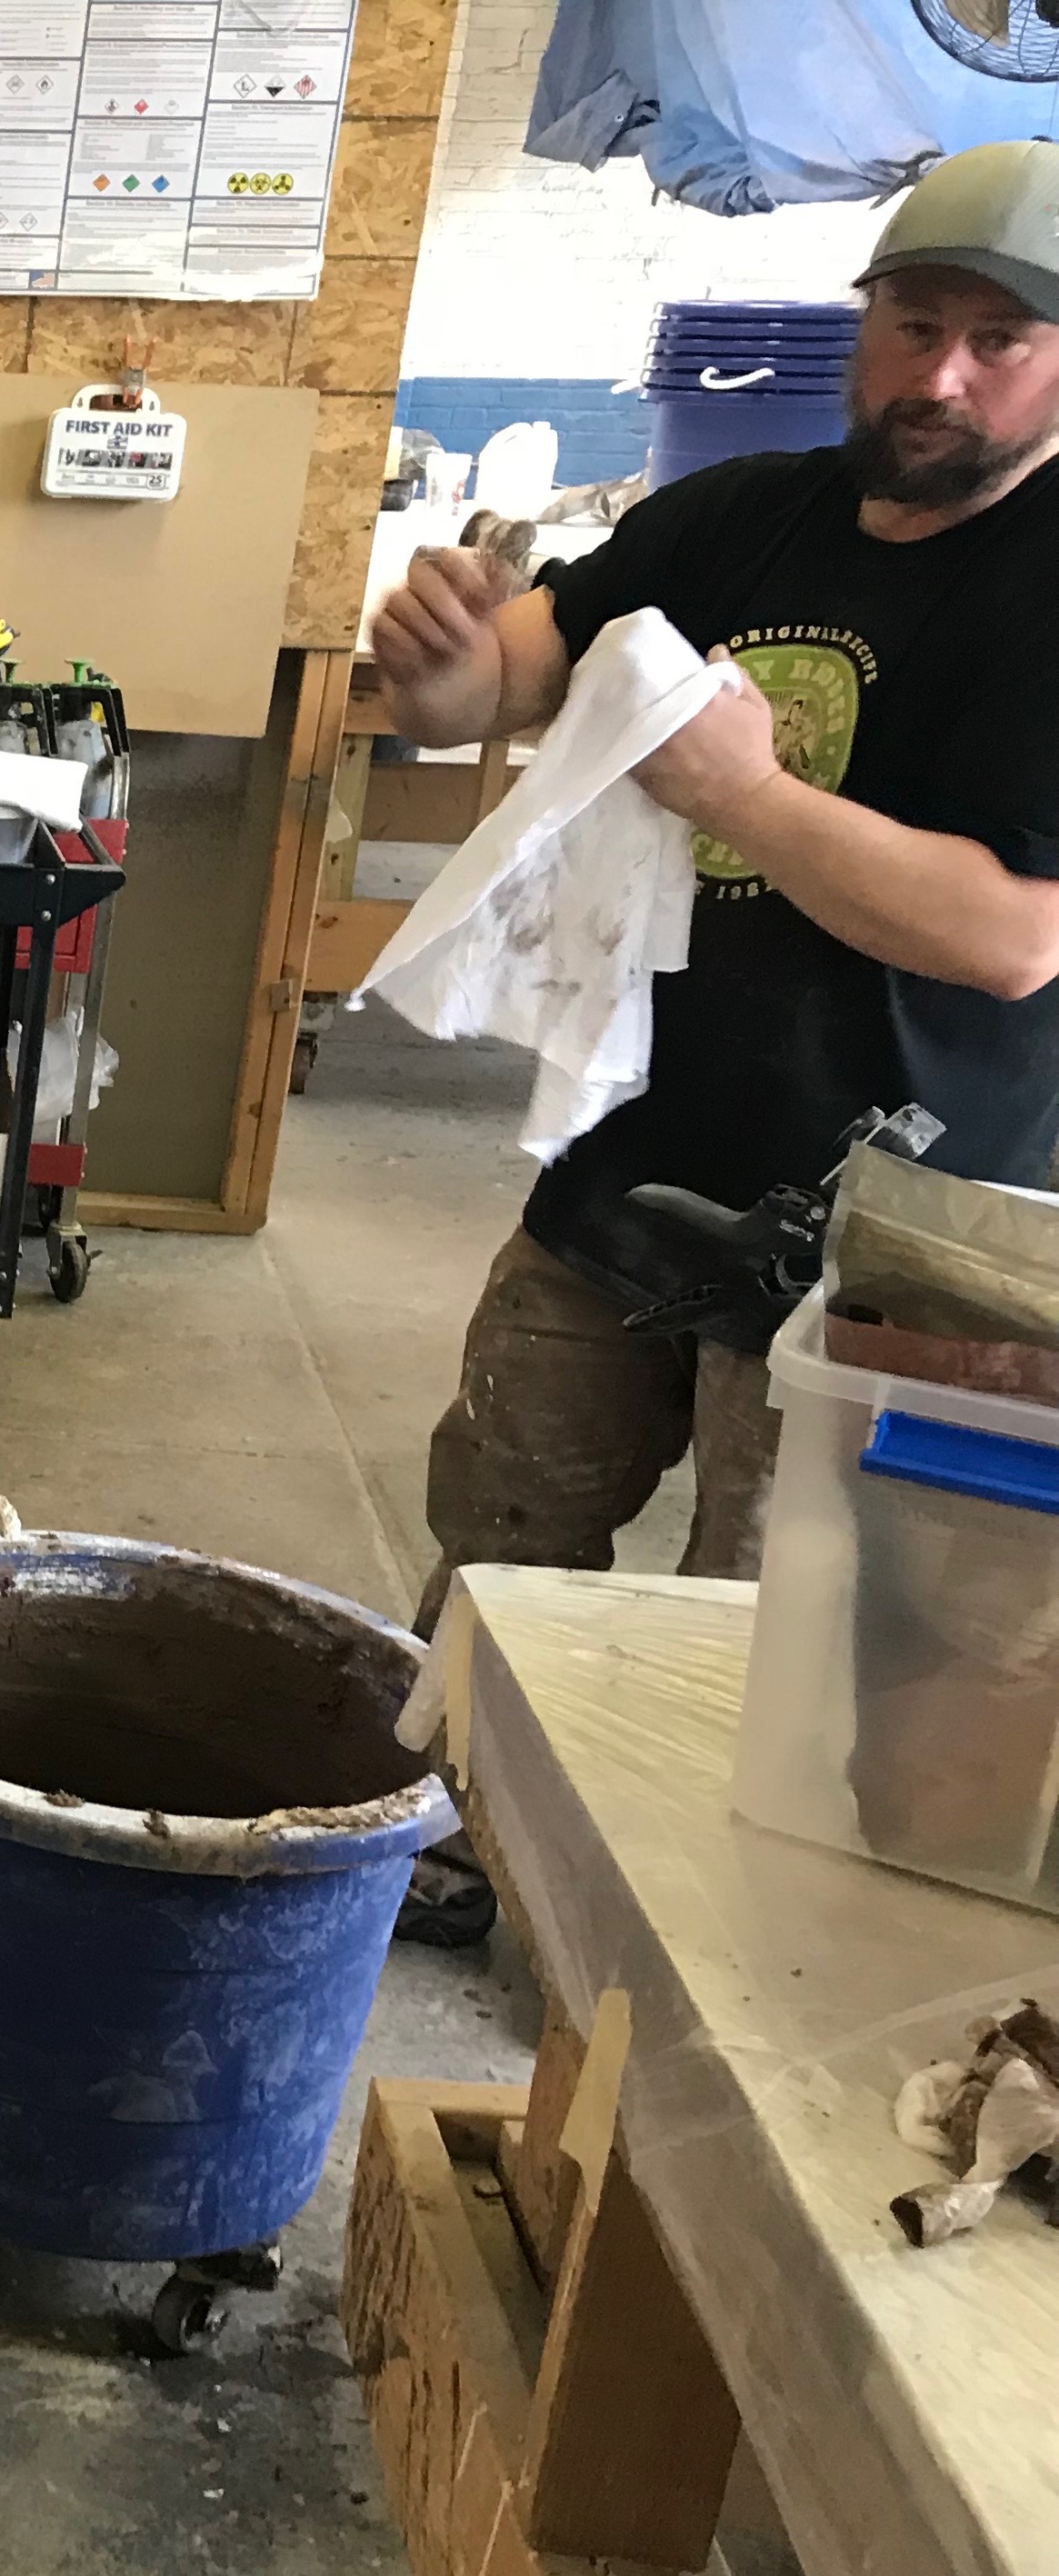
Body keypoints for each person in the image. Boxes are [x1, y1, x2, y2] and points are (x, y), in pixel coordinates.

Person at [378, 139, 1059, 1649]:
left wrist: (747, 798)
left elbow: (1015, 936)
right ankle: (437, 1795)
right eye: (913, 326)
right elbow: (509, 675)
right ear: (864, 322)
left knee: (758, 1641)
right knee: (496, 1548)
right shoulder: (736, 515)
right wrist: (439, 666)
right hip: (627, 1154)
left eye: (999, 341)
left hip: (881, 1231)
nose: (941, 378)